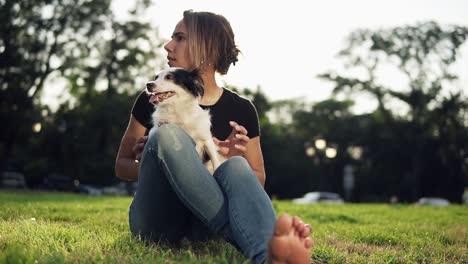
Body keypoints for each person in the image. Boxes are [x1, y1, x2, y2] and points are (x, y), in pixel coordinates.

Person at [115, 10, 313, 264]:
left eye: (179, 38)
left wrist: (227, 157)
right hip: (156, 222)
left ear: (206, 49)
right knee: (166, 136)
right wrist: (156, 159)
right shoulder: (153, 99)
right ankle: (263, 244)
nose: (167, 45)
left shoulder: (242, 109)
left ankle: (270, 257)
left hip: (203, 227)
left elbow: (258, 178)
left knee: (237, 166)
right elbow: (121, 166)